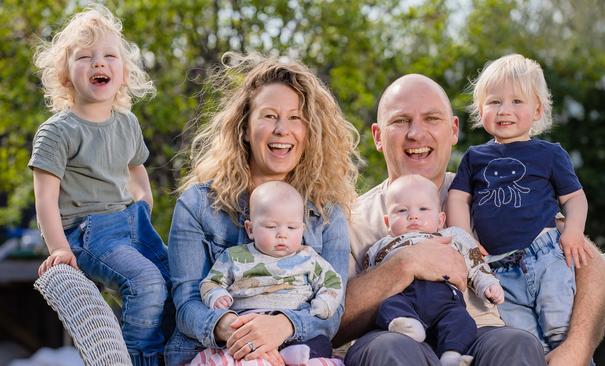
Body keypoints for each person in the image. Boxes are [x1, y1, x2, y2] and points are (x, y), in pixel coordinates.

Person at [334, 73, 605, 366]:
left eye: (432, 119)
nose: (416, 133)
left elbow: (591, 264)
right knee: (387, 349)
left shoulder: (490, 195)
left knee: (516, 342)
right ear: (378, 136)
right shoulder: (350, 218)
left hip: (479, 335)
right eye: (401, 121)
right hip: (393, 336)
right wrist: (404, 265)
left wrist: (576, 347)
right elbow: (331, 318)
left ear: (453, 130)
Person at [164, 53, 359, 366]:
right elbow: (187, 302)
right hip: (218, 352)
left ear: (309, 132)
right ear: (244, 128)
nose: (282, 129)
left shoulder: (325, 211)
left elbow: (332, 309)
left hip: (296, 350)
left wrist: (282, 326)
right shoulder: (198, 205)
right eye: (269, 116)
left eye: (295, 118)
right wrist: (233, 328)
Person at [29, 5, 172, 365]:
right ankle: (142, 359)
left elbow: (136, 170)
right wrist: (59, 249)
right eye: (85, 57)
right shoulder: (58, 131)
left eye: (110, 56)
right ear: (65, 74)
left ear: (123, 74)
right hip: (89, 232)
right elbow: (45, 199)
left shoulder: (127, 123)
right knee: (146, 283)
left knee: (177, 282)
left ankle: (178, 353)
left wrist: (144, 202)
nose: (99, 64)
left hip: (132, 223)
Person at [447, 53, 590, 354]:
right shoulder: (475, 157)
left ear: (537, 110)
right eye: (494, 102)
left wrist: (573, 231)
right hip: (498, 270)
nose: (504, 110)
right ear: (481, 110)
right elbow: (458, 198)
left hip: (547, 257)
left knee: (561, 332)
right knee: (524, 344)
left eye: (516, 102)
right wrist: (466, 241)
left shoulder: (549, 153)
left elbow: (574, 198)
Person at [189, 181, 344, 366]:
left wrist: (323, 304)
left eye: (292, 228)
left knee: (320, 345)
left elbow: (332, 282)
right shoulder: (235, 256)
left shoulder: (309, 258)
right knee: (226, 357)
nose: (282, 234)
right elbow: (211, 282)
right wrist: (217, 295)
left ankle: (296, 356)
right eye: (271, 227)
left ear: (302, 229)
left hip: (294, 326)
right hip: (247, 323)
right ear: (250, 229)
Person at [365, 174, 503, 366]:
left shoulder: (452, 236)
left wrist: (488, 284)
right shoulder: (381, 246)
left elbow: (476, 263)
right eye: (402, 210)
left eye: (423, 209)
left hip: (445, 299)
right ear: (388, 223)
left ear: (440, 219)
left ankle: (451, 355)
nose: (413, 215)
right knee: (387, 307)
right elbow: (371, 281)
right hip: (403, 296)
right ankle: (407, 325)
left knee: (461, 321)